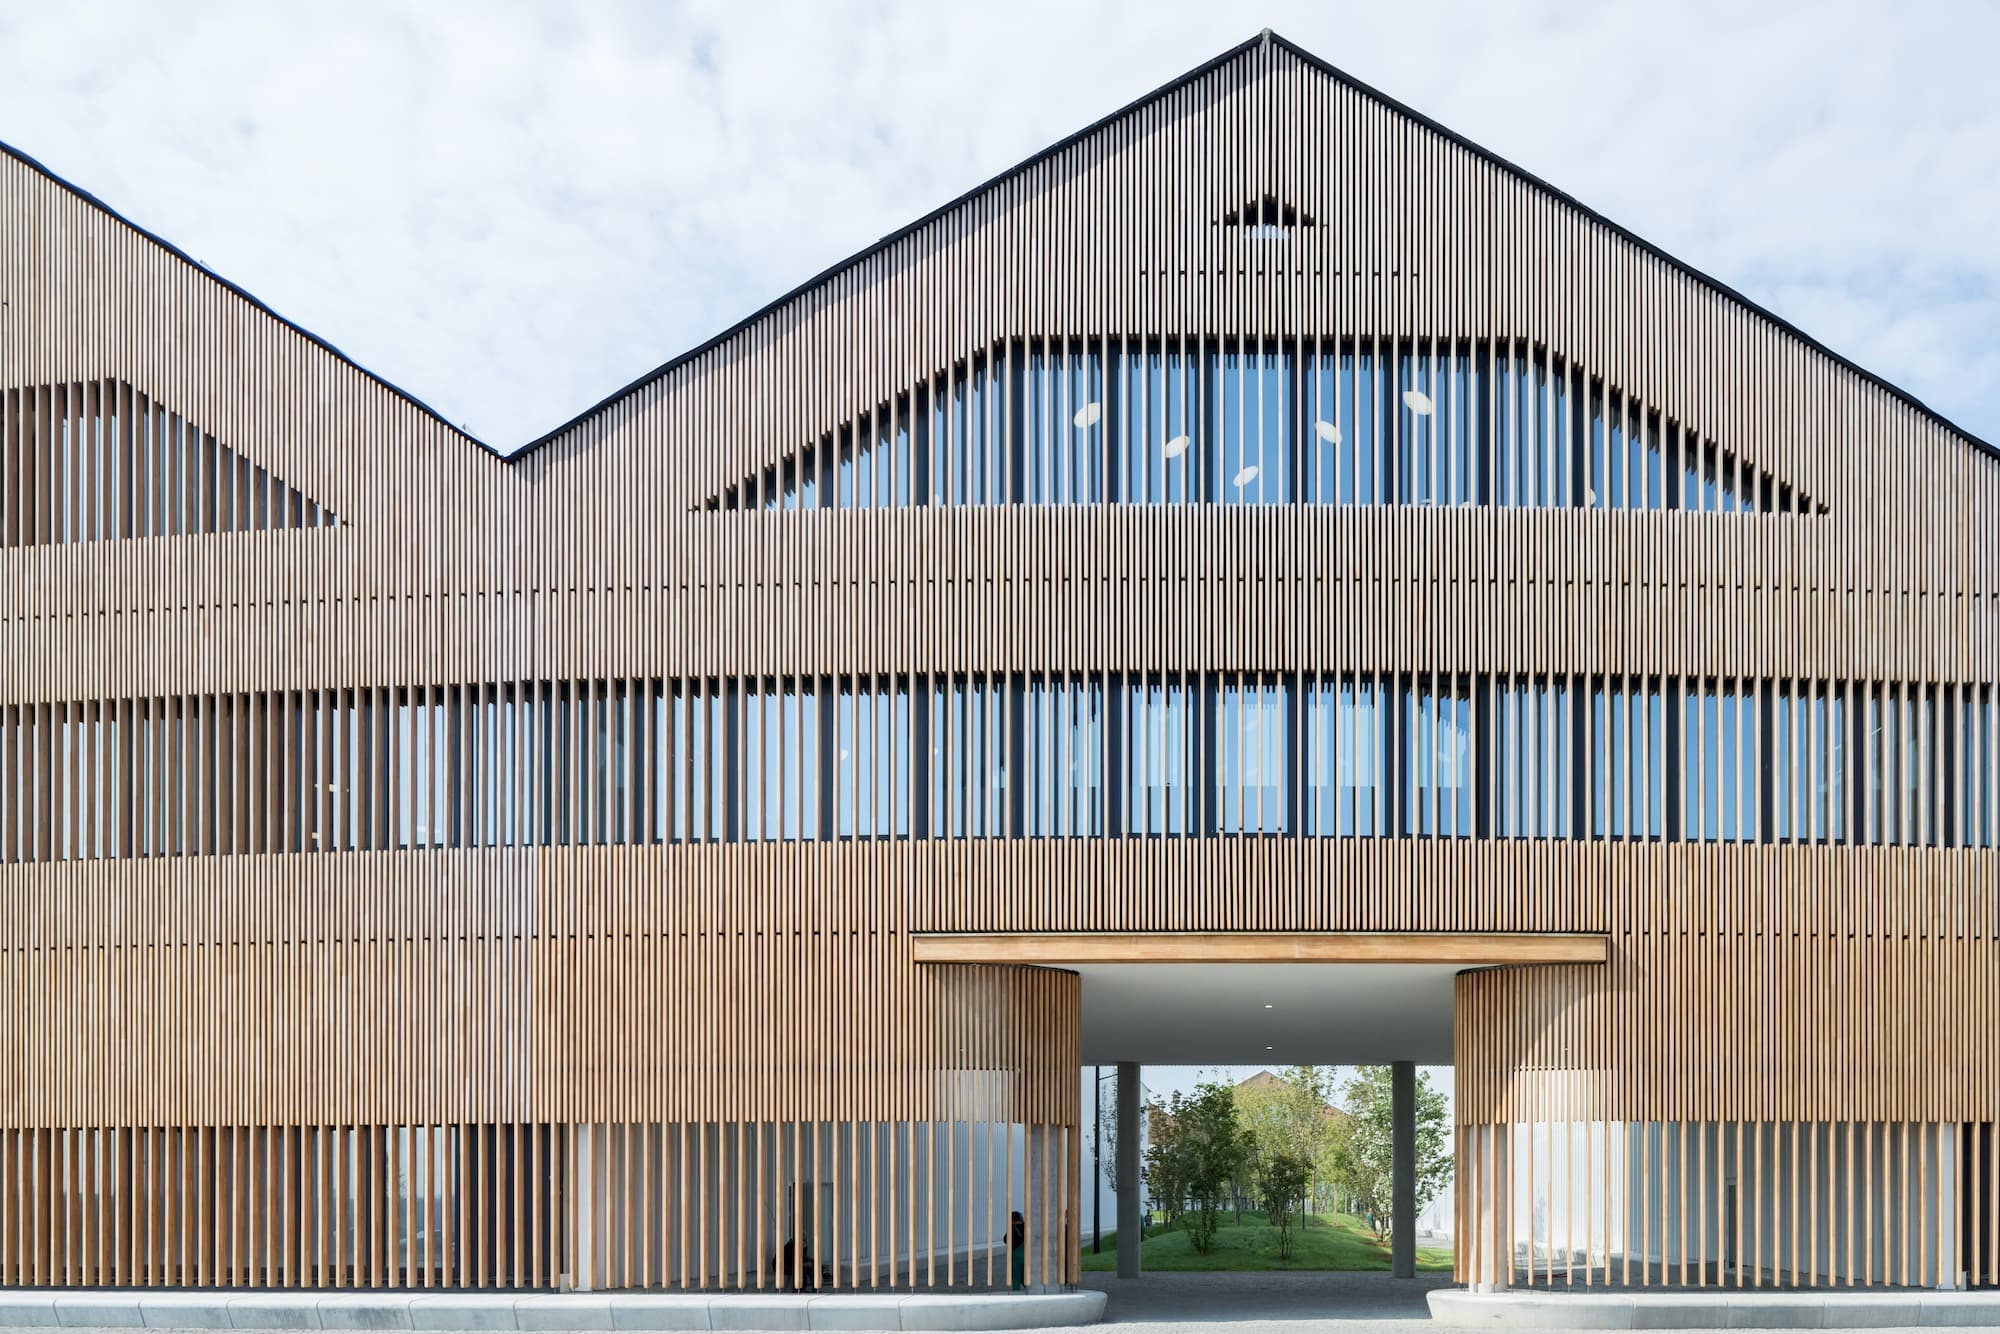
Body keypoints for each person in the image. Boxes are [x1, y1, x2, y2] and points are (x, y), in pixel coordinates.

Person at [1009, 1210, 1026, 1290]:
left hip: (1016, 1256)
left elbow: (1005, 1239)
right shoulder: (1026, 1227)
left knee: (1016, 1276)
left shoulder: (1012, 1229)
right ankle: (1029, 1288)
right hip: (1027, 1255)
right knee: (1025, 1274)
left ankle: (1016, 1291)